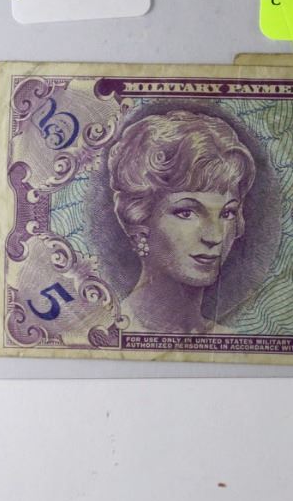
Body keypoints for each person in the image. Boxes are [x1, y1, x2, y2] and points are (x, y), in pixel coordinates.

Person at [107, 110, 256, 334]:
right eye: (187, 212)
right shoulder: (106, 332)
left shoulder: (232, 340)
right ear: (138, 218)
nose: (214, 236)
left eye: (227, 213)